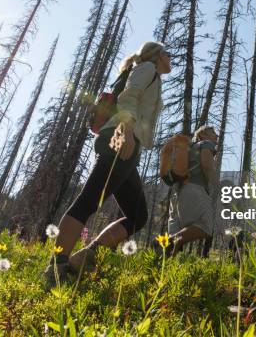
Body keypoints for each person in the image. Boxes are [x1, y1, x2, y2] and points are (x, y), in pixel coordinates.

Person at [44, 41, 169, 286]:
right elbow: (129, 95)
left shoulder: (149, 72)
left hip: (124, 142)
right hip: (122, 139)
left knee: (137, 215)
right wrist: (127, 129)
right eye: (167, 53)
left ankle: (85, 256)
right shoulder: (147, 69)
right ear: (156, 56)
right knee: (88, 200)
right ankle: (56, 271)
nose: (170, 58)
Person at [166, 125, 218, 256]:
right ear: (203, 135)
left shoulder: (189, 149)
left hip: (178, 193)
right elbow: (207, 165)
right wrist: (218, 186)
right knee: (206, 227)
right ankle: (169, 242)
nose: (217, 135)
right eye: (213, 133)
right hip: (195, 190)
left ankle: (164, 263)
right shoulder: (206, 144)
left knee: (176, 231)